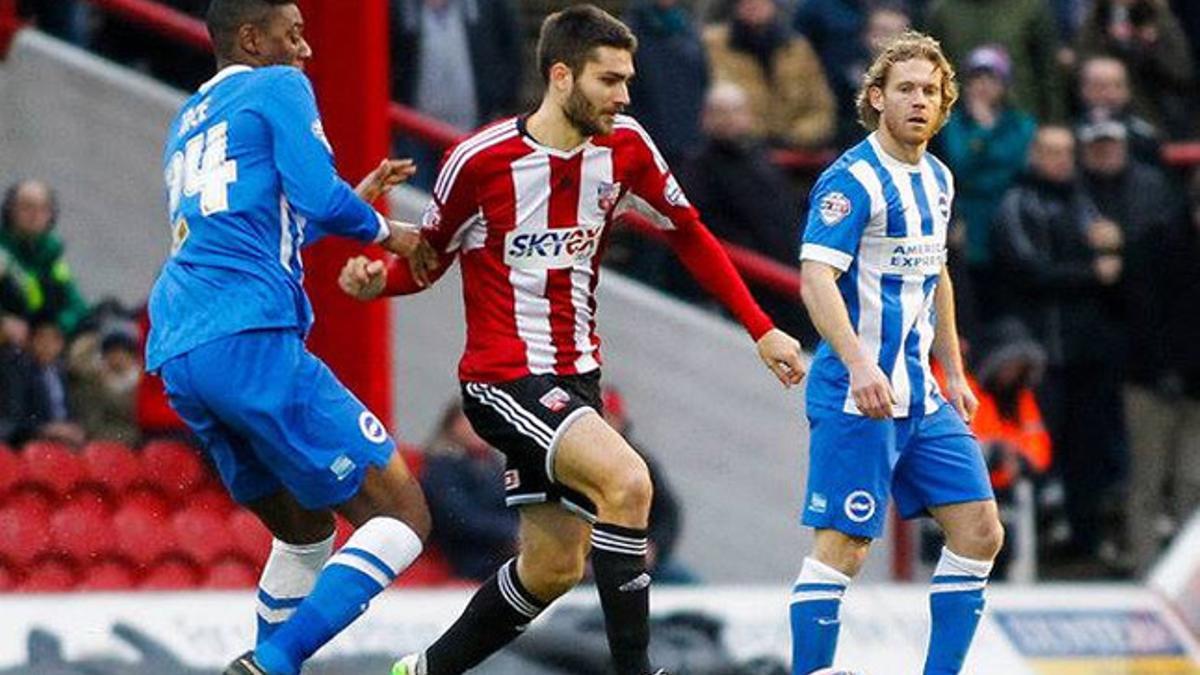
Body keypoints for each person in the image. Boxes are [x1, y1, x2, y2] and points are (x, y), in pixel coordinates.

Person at [338, 7, 806, 675]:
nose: (624, 95)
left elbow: (690, 234)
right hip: (504, 379)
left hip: (576, 377)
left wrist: (761, 328)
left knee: (554, 566)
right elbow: (428, 261)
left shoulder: (627, 147)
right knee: (628, 480)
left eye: (628, 81)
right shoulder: (478, 161)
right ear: (562, 76)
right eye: (610, 80)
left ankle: (423, 671)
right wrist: (374, 283)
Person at [143, 2, 433, 674]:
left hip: (182, 348)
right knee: (405, 513)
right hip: (248, 336)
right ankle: (272, 661)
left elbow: (266, 226)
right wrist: (396, 234)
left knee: (305, 531)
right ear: (251, 39)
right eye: (292, 34)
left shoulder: (187, 121)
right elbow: (317, 192)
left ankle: (279, 664)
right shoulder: (276, 85)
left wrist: (349, 201)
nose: (305, 50)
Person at [790, 32, 1004, 675]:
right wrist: (859, 363)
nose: (919, 101)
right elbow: (814, 276)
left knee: (980, 531)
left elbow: (935, 274)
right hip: (858, 395)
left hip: (922, 394)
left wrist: (956, 372)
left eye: (931, 92)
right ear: (877, 98)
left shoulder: (938, 178)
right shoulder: (851, 180)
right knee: (845, 546)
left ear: (945, 106)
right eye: (905, 89)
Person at [704, 0, 835, 148]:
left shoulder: (797, 48)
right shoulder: (713, 45)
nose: (754, 4)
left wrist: (797, 136)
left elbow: (821, 107)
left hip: (796, 153)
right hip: (734, 151)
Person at [420, 400, 518, 581]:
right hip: (473, 555)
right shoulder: (443, 467)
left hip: (509, 545)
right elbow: (459, 517)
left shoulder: (493, 464)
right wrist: (512, 533)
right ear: (452, 426)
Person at [0, 180, 90, 333]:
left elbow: (78, 307)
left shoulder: (51, 257)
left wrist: (56, 327)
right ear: (10, 210)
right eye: (27, 207)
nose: (35, 215)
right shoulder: (3, 251)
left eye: (43, 209)